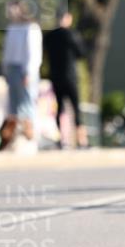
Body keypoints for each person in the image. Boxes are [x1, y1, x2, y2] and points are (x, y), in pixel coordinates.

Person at [0, 0, 43, 149]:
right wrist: (4, 68)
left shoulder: (31, 28)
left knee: (26, 101)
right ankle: (9, 137)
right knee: (13, 104)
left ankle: (29, 135)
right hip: (12, 68)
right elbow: (7, 51)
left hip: (24, 70)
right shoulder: (12, 28)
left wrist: (29, 72)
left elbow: (33, 53)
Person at [44, 10, 88, 148]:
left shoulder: (50, 36)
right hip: (70, 75)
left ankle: (61, 139)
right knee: (75, 108)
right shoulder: (71, 34)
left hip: (55, 75)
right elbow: (81, 52)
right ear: (68, 18)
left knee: (59, 107)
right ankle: (82, 140)